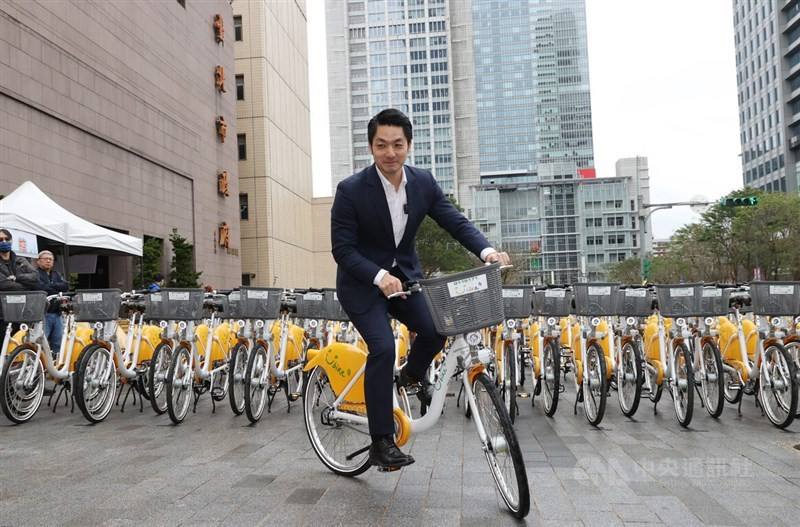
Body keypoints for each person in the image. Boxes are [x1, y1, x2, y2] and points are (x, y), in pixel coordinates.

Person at [330, 109, 510, 470]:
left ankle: (410, 376)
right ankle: (381, 442)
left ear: (408, 145)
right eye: (382, 145)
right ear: (371, 147)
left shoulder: (423, 183)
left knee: (436, 328)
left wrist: (487, 251)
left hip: (405, 281)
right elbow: (343, 249)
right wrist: (379, 275)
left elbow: (455, 222)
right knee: (383, 347)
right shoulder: (351, 190)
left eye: (397, 144)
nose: (390, 153)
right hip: (363, 285)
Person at [36, 250, 69, 358]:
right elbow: (40, 287)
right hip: (43, 314)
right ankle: (39, 364)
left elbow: (65, 286)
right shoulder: (35, 274)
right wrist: (56, 287)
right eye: (45, 259)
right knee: (41, 343)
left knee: (58, 343)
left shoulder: (56, 274)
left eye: (51, 259)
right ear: (38, 261)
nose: (48, 261)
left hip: (57, 313)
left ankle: (56, 364)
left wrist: (51, 285)